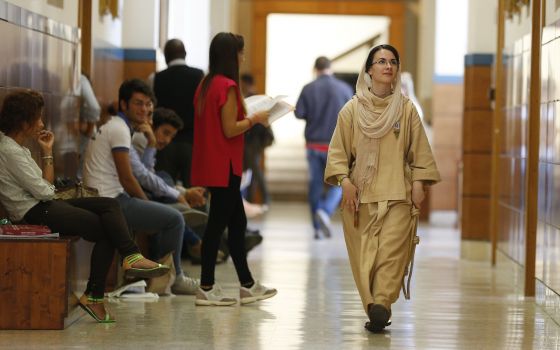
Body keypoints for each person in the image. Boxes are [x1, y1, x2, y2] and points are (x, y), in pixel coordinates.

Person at [0, 89, 169, 323]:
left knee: (109, 205)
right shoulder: (8, 150)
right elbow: (44, 190)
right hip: (33, 213)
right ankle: (96, 294)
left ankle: (130, 257)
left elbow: (45, 187)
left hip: (45, 204)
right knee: (106, 228)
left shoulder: (19, 148)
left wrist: (47, 152)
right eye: (38, 118)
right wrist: (46, 177)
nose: (41, 123)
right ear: (24, 121)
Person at [324, 44, 441, 332]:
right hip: (360, 197)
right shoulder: (351, 111)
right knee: (365, 257)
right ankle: (373, 303)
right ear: (369, 70)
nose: (387, 66)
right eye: (381, 61)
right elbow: (338, 153)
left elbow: (420, 153)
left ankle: (382, 304)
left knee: (391, 252)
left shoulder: (406, 110)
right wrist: (345, 181)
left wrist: (418, 184)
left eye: (392, 62)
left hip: (398, 194)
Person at [83, 79, 199, 295]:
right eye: (138, 103)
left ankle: (162, 276)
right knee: (174, 219)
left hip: (109, 197)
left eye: (147, 104)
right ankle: (174, 279)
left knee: (169, 215)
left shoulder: (117, 126)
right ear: (124, 105)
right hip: (110, 201)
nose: (144, 109)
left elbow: (138, 175)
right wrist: (149, 205)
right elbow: (128, 178)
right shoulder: (120, 129)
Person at [191, 32, 277, 306]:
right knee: (217, 225)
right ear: (232, 55)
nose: (243, 57)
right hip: (224, 163)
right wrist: (255, 119)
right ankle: (206, 286)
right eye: (241, 52)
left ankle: (247, 285)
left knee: (237, 222)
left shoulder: (206, 84)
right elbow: (230, 129)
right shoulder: (227, 85)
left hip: (212, 160)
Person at [295, 56, 353, 239]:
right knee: (339, 183)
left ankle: (316, 227)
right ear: (330, 68)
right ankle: (326, 211)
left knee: (315, 185)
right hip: (336, 146)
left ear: (315, 69)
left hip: (313, 145)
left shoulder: (308, 88)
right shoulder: (344, 89)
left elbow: (299, 113)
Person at [152, 39, 204, 187]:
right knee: (194, 189)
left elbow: (151, 110)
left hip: (164, 143)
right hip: (192, 142)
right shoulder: (199, 76)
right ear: (185, 54)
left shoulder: (156, 78)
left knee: (164, 188)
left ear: (166, 56)